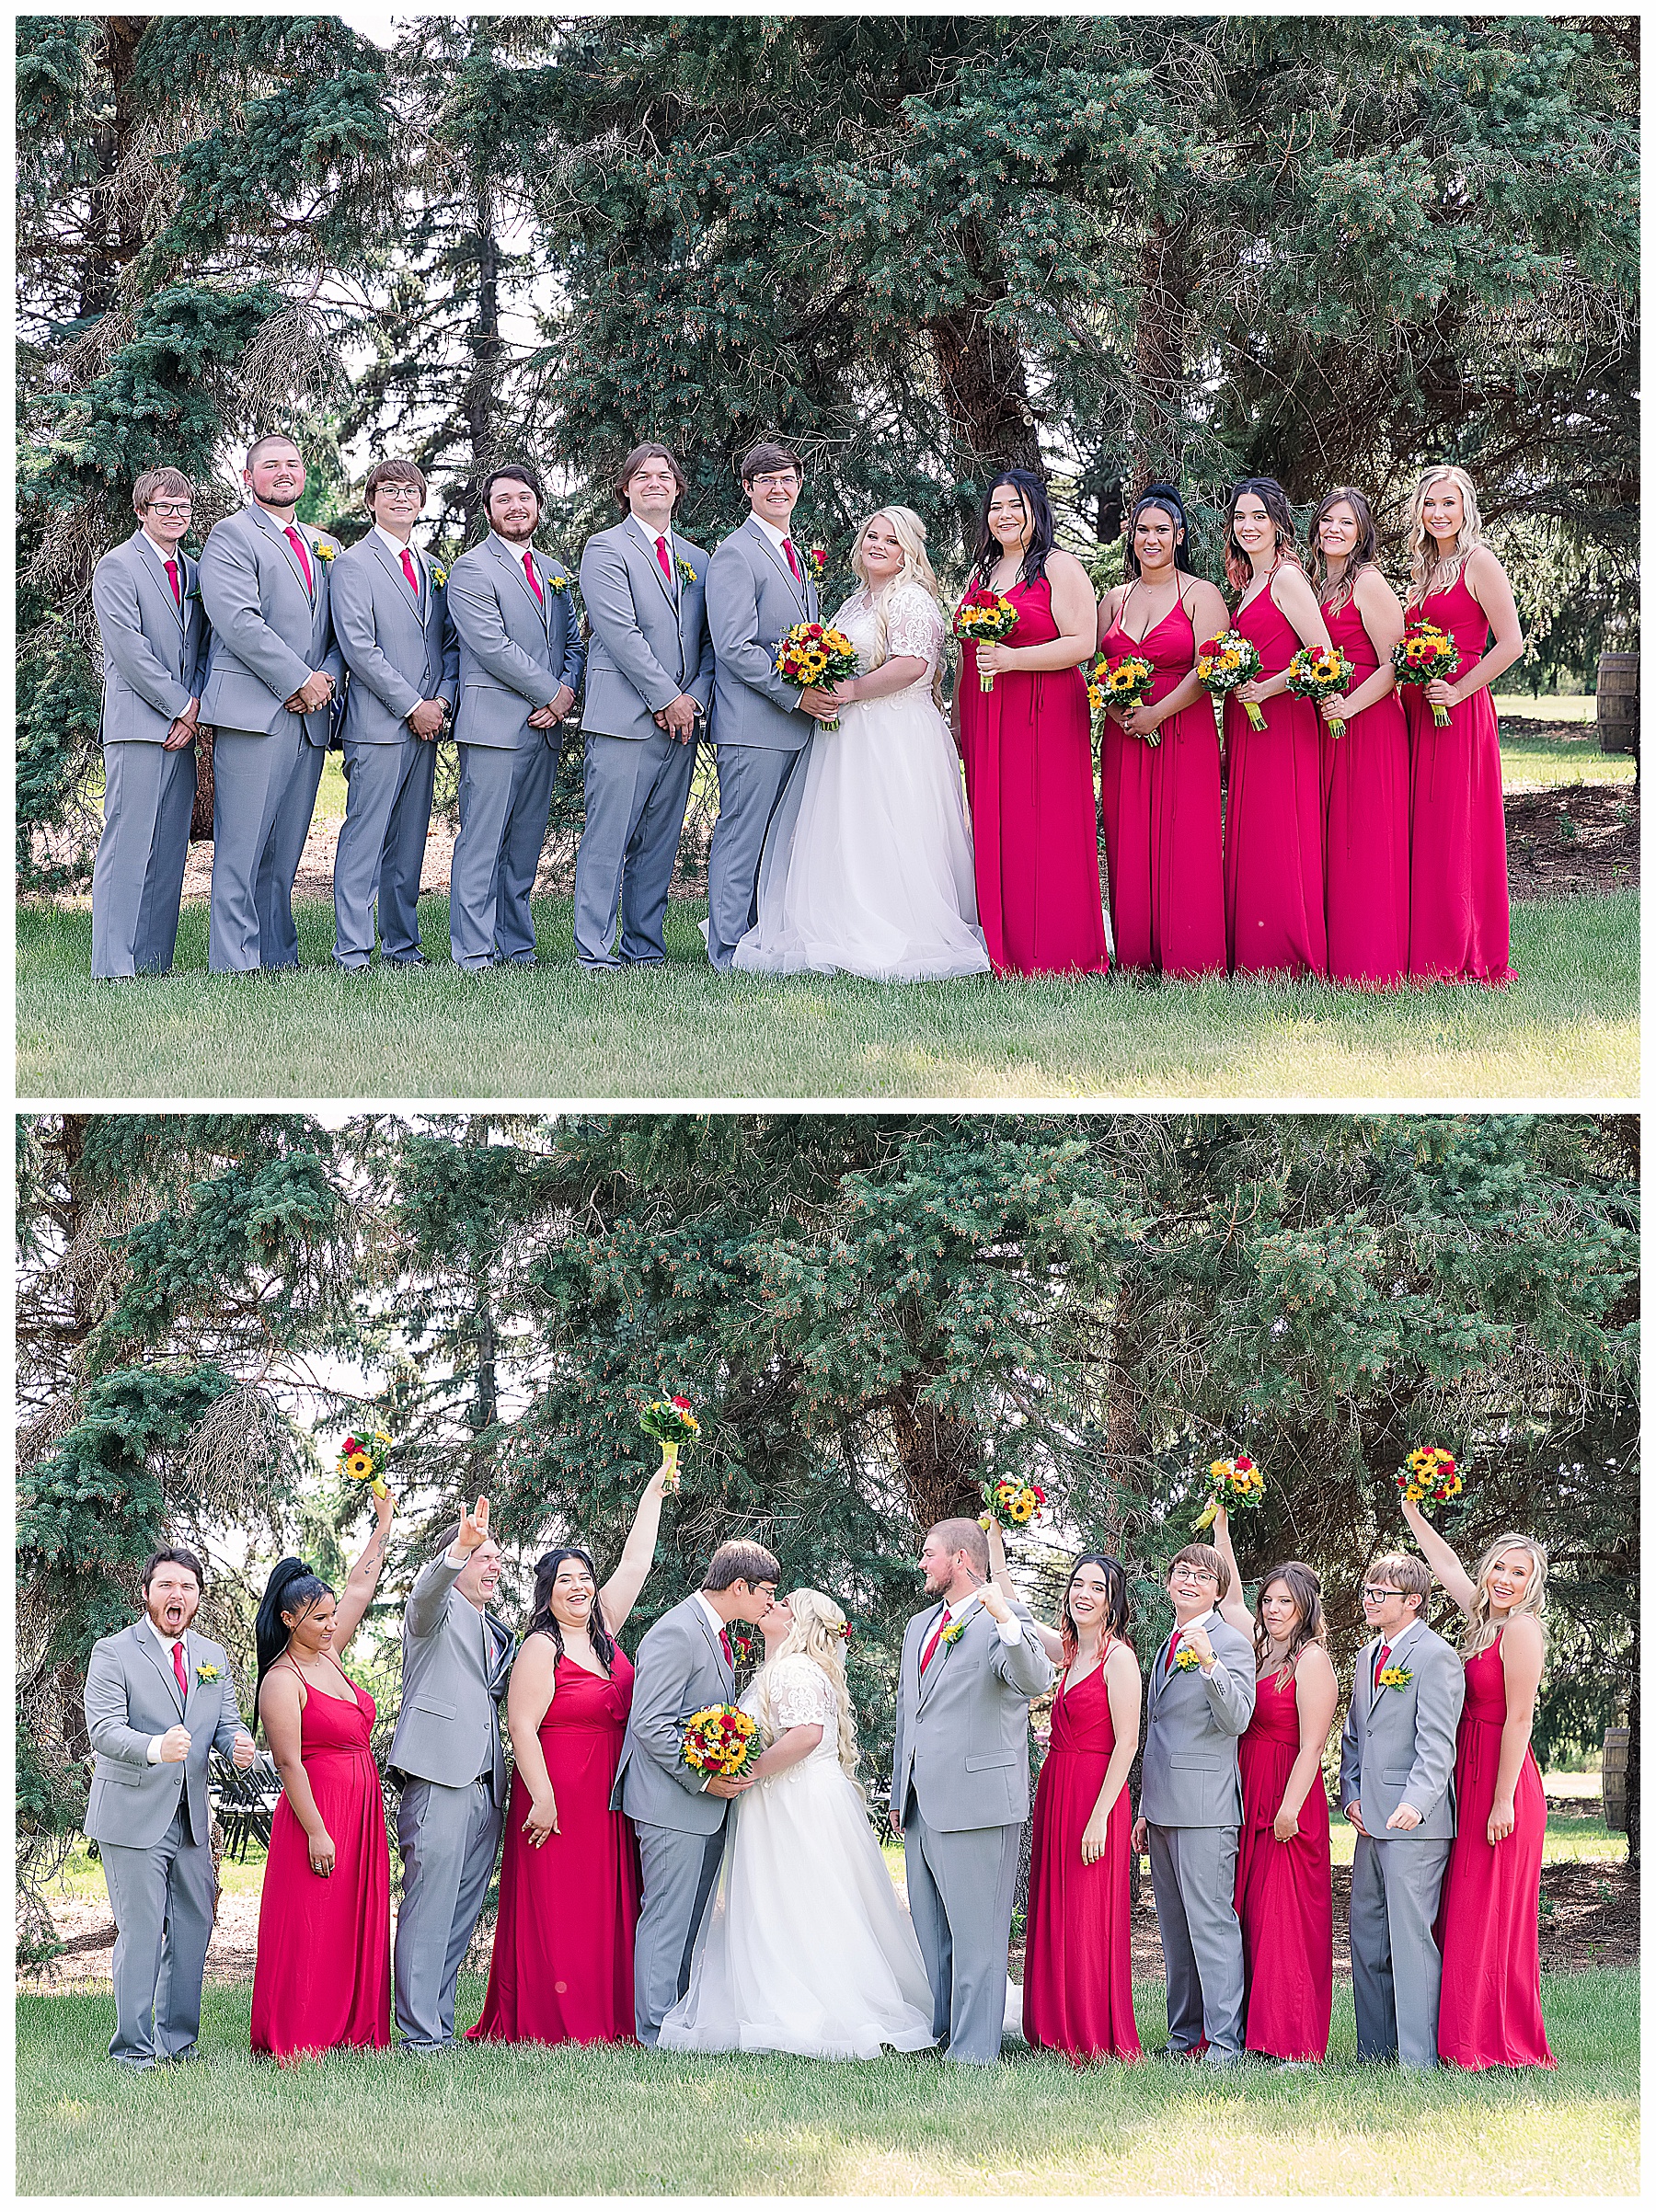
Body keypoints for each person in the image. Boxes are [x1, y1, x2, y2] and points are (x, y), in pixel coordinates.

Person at [661, 1588, 937, 2058]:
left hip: (794, 1801)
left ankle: (811, 2001)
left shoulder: (793, 1670)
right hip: (791, 1799)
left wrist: (747, 1771)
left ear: (800, 1624)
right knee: (801, 1899)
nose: (774, 1606)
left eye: (786, 1604)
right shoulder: (785, 1669)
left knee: (799, 1898)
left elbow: (806, 1735)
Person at [733, 506, 989, 980]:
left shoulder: (910, 599)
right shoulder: (855, 603)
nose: (878, 545)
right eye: (873, 535)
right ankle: (843, 918)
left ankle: (902, 925)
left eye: (892, 541)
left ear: (907, 552)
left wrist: (850, 690)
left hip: (897, 732)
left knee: (895, 828)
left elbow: (914, 665)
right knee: (848, 826)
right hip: (847, 735)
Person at [469, 1467, 670, 2045]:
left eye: (584, 1578)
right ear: (547, 1593)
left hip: (607, 1795)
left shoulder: (605, 1632)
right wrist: (545, 1800)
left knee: (603, 1909)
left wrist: (652, 1492)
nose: (578, 1587)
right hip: (555, 1794)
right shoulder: (541, 1645)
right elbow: (522, 1727)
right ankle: (556, 2020)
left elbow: (634, 1566)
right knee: (560, 1911)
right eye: (564, 1580)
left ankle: (608, 2014)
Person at [82, 1547, 259, 2067]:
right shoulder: (113, 1653)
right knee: (141, 1931)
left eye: (186, 1586)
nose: (176, 1595)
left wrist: (238, 1743)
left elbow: (223, 1722)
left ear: (198, 1598)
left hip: (190, 1819)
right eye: (165, 1585)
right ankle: (133, 2050)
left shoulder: (211, 1657)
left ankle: (177, 2042)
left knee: (194, 1926)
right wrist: (157, 1748)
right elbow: (105, 1731)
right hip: (133, 1815)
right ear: (146, 1593)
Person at [889, 1517, 1054, 2064]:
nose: (922, 1563)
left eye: (930, 1553)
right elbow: (909, 1717)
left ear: (961, 1559)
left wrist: (1007, 1618)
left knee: (977, 1936)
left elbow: (1035, 1680)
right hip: (920, 1806)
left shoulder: (1006, 1620)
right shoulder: (918, 1627)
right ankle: (941, 2034)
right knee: (933, 1933)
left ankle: (973, 2051)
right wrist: (898, 1795)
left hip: (979, 1803)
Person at [1399, 1499, 1554, 2069]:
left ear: (1533, 1584)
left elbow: (1519, 1718)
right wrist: (1413, 1510)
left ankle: (1491, 2040)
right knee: (1461, 1907)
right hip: (1466, 1773)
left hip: (1502, 1780)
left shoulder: (1521, 1630)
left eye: (1520, 1572)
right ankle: (1460, 2033)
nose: (1505, 1579)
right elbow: (1443, 1565)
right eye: (1499, 1567)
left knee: (1487, 1912)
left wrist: (1501, 1800)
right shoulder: (1482, 1620)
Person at [613, 1537, 780, 2045]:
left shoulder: (713, 1631)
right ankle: (652, 2032)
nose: (770, 1602)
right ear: (738, 1586)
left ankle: (677, 2024)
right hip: (671, 1804)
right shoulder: (676, 1632)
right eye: (765, 1592)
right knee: (667, 1919)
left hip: (702, 1806)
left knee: (694, 1920)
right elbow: (650, 1723)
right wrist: (706, 1777)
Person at [250, 1486, 397, 2057]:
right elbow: (288, 1762)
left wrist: (382, 1521)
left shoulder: (331, 1654)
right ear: (290, 1620)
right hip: (320, 1809)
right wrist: (315, 1829)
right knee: (314, 1921)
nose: (333, 1623)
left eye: (334, 1614)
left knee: (350, 1921)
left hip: (361, 1807)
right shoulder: (282, 1680)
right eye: (320, 1618)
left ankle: (354, 2029)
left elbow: (361, 1583)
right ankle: (303, 2033)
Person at [198, 432, 344, 972]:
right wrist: (297, 680)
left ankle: (277, 958)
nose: (285, 473)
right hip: (255, 714)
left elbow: (339, 629)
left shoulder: (323, 544)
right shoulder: (230, 537)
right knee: (242, 849)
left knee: (285, 852)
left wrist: (324, 678)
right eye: (271, 465)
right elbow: (238, 622)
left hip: (310, 716)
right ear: (248, 477)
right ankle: (234, 962)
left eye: (293, 464)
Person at [955, 470, 1107, 976]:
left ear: (1037, 511)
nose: (1004, 515)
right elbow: (967, 653)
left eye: (1015, 505)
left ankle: (1058, 947)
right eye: (996, 506)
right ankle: (1004, 942)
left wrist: (1016, 661)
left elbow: (1082, 643)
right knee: (997, 822)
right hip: (987, 710)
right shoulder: (983, 572)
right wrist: (959, 720)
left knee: (1047, 821)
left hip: (1044, 708)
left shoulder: (1059, 567)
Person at [574, 442, 715, 970]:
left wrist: (693, 700)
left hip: (682, 722)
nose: (654, 483)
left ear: (678, 489)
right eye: (642, 476)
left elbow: (710, 644)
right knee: (608, 838)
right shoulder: (605, 550)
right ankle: (593, 949)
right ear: (626, 489)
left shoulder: (698, 560)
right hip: (623, 719)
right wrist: (667, 698)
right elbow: (620, 633)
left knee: (659, 841)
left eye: (664, 476)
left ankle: (644, 947)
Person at [385, 1494, 515, 2054]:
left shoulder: (497, 1629)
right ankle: (417, 2033)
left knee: (462, 1907)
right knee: (429, 1901)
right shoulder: (433, 1616)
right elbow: (422, 1596)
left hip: (488, 1782)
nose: (495, 1566)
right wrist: (460, 1548)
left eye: (497, 1560)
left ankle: (437, 2021)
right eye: (484, 1558)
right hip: (439, 1775)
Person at [1209, 1504, 1338, 2063]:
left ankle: (1287, 2038)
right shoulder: (1258, 1651)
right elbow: (1231, 1599)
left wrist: (1289, 1808)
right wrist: (1221, 1532)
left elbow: (1313, 1744)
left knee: (1285, 1915)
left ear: (1306, 1607)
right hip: (1247, 1789)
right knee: (1251, 1911)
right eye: (1270, 1600)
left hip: (1288, 1795)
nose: (1274, 1609)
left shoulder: (1312, 1661)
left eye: (1286, 1601)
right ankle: (1249, 2028)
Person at [444, 464, 585, 970]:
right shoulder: (471, 569)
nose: (516, 507)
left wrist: (567, 691)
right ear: (487, 510)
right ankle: (473, 951)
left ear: (538, 507)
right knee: (482, 843)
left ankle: (516, 946)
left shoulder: (553, 569)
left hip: (545, 728)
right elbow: (491, 645)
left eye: (524, 497)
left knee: (524, 845)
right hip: (494, 726)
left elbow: (572, 640)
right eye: (503, 499)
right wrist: (554, 694)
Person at [703, 441, 836, 970]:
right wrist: (798, 694)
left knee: (779, 841)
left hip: (796, 726)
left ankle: (763, 940)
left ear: (799, 483)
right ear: (748, 489)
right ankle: (728, 949)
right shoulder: (736, 553)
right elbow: (734, 645)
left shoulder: (795, 553)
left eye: (787, 478)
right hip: (754, 724)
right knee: (742, 835)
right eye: (766, 480)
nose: (779, 488)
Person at [328, 459, 459, 971]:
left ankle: (402, 947)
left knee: (408, 844)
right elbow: (359, 649)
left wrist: (441, 702)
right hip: (379, 725)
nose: (401, 498)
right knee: (365, 839)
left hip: (427, 727)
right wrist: (412, 706)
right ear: (371, 501)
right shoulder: (353, 565)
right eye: (389, 490)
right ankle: (354, 951)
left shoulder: (431, 567)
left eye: (411, 490)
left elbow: (449, 645)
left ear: (422, 501)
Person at [1094, 485, 1229, 978]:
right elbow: (1097, 668)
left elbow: (1209, 670)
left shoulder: (1201, 594)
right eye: (1142, 531)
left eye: (1162, 530)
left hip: (1182, 730)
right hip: (1124, 736)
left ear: (1179, 535)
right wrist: (1119, 713)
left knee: (1183, 835)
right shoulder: (1112, 599)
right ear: (1131, 538)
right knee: (1128, 838)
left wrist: (1157, 714)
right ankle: (1134, 956)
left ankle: (1191, 956)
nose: (1151, 540)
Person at [1338, 1551, 1466, 2069]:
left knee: (1410, 1940)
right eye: (1367, 1589)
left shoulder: (1435, 1657)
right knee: (1367, 1934)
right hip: (1370, 1822)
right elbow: (1353, 1737)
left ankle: (1417, 2059)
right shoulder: (1369, 1655)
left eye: (1379, 1592)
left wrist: (1415, 1803)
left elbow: (1437, 1744)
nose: (1368, 1598)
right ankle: (1376, 2052)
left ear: (1412, 1601)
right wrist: (1350, 1798)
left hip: (1416, 1824)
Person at [1131, 1542, 1255, 2064]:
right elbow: (1158, 1729)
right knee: (1175, 1931)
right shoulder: (1166, 1641)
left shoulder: (1230, 1643)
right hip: (1161, 1807)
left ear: (1219, 1590)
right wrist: (1143, 1807)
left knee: (1211, 1926)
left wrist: (1209, 1663)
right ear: (1167, 1581)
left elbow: (1238, 1720)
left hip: (1206, 1809)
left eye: (1202, 1575)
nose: (1188, 1580)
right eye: (1180, 1571)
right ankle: (1184, 2040)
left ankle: (1226, 2045)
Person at [1401, 465, 1524, 986]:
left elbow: (1512, 644)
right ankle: (1426, 946)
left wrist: (1458, 689)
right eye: (1430, 504)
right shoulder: (1425, 570)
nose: (1438, 513)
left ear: (1465, 508)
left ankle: (1464, 950)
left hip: (1459, 708)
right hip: (1418, 709)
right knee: (1425, 829)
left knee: (1457, 828)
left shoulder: (1479, 562)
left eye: (1448, 503)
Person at [1019, 1548, 1143, 2063]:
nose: (1083, 1593)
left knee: (1090, 1916)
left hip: (1097, 1795)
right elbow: (1013, 1604)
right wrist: (1000, 1533)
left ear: (1111, 1601)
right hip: (1058, 1788)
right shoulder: (1069, 1653)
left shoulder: (1120, 1659)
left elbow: (1128, 1744)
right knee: (1055, 1908)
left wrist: (1098, 1818)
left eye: (1096, 1586)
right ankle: (1052, 2027)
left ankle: (1092, 2033)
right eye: (1077, 1583)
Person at [88, 467, 211, 980]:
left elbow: (205, 646)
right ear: (141, 512)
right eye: (164, 507)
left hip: (184, 727)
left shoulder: (198, 571)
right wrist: (180, 705)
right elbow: (129, 651)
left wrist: (196, 705)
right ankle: (114, 964)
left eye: (183, 507)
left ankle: (156, 960)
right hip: (140, 724)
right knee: (129, 841)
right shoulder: (117, 567)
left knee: (167, 847)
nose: (175, 515)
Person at [1220, 477, 1336, 978]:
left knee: (1283, 831)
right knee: (1255, 833)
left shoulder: (1287, 579)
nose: (1248, 527)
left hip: (1284, 721)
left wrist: (1268, 688)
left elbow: (1324, 654)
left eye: (1259, 517)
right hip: (1250, 725)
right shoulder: (1246, 585)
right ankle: (1254, 949)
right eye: (1240, 518)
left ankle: (1289, 953)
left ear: (1279, 524)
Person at [1308, 487, 1410, 989]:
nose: (1334, 530)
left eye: (1347, 523)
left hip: (1367, 720)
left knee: (1365, 835)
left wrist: (1348, 705)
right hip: (1327, 718)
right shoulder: (1318, 584)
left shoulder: (1367, 583)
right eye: (1327, 520)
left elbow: (1396, 663)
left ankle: (1369, 961)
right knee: (1332, 836)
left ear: (1363, 533)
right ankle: (1333, 953)